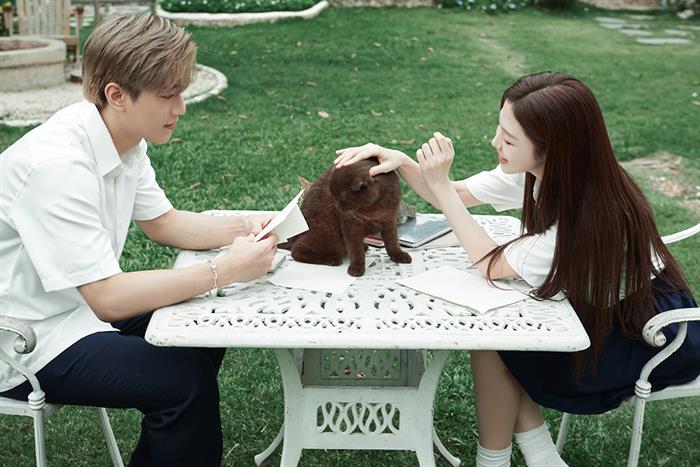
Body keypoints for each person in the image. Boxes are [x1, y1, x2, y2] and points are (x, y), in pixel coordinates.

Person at [333, 71, 700, 467]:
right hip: (596, 306)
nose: (496, 143)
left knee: (497, 342)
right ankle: (532, 458)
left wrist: (440, 187)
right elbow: (456, 195)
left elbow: (491, 264)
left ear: (552, 148)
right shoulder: (549, 172)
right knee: (495, 338)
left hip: (644, 335)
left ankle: (508, 460)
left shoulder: (586, 215)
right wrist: (401, 161)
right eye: (499, 129)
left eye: (509, 140)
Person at [0, 14, 278, 467]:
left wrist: (261, 225)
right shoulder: (56, 167)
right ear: (117, 95)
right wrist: (224, 270)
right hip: (24, 339)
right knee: (182, 379)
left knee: (205, 325)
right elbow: (108, 298)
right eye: (168, 96)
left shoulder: (121, 136)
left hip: (76, 307)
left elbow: (164, 223)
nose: (181, 108)